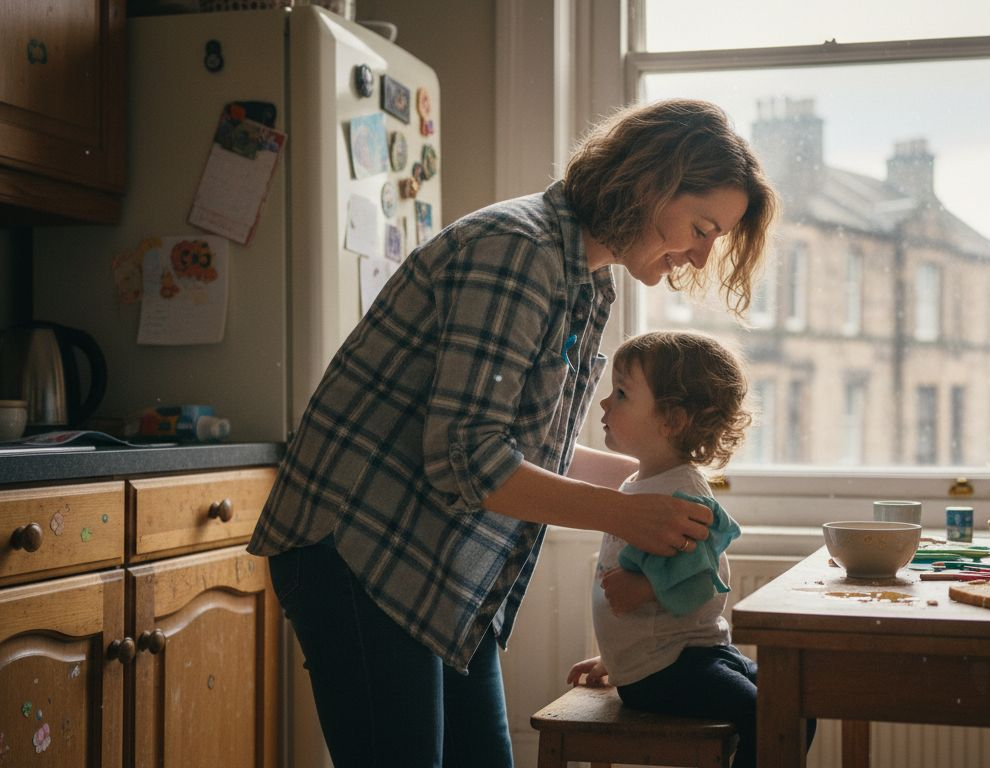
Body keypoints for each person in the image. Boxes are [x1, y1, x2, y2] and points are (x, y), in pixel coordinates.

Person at [247, 99, 776, 767]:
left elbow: (523, 449)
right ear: (650, 185)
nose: (701, 254)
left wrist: (661, 486)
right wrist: (628, 513)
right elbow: (467, 457)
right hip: (357, 550)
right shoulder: (517, 253)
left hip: (427, 561)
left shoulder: (583, 280)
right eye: (702, 227)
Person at [565, 330, 815, 768]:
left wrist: (645, 590)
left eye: (621, 394)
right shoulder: (643, 481)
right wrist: (619, 658)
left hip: (683, 660)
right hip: (664, 667)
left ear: (672, 421)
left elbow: (707, 581)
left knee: (793, 706)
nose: (605, 404)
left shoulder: (683, 492)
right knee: (774, 711)